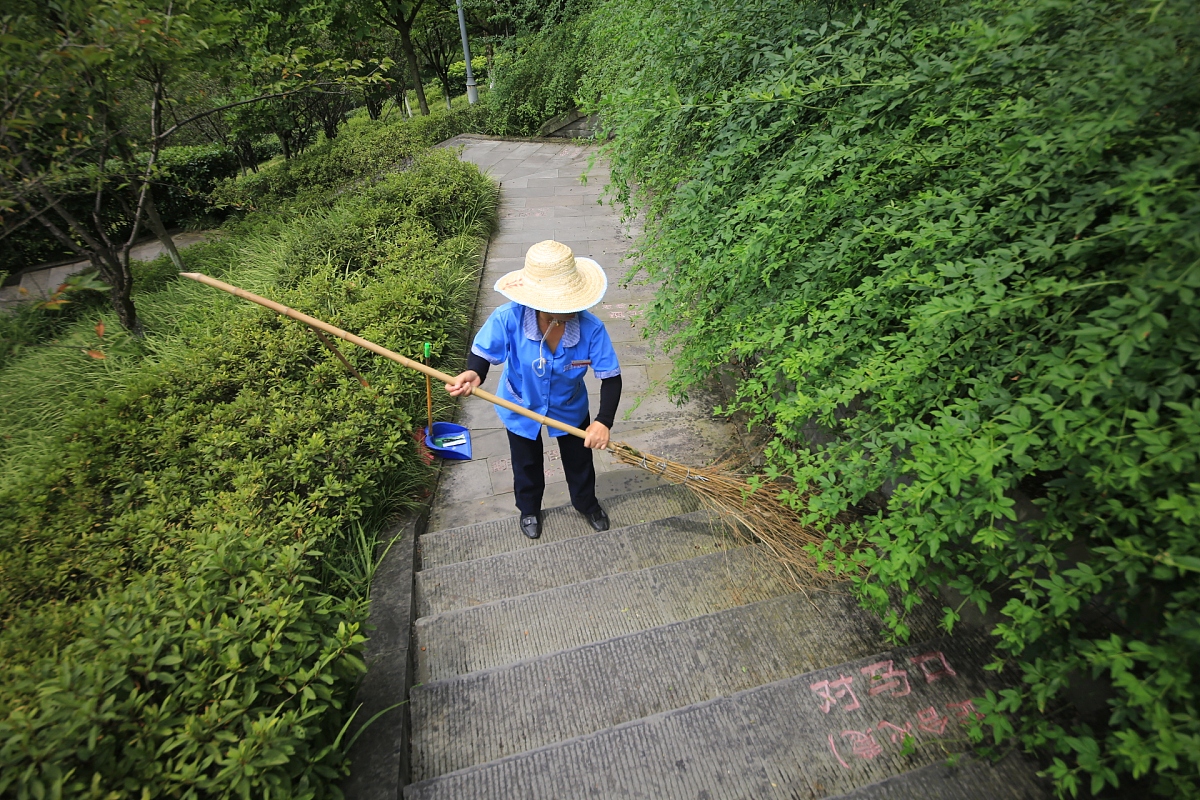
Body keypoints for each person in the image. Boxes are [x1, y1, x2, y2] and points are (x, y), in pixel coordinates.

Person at [445, 240, 622, 540]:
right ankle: (529, 508)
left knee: (579, 462)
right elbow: (484, 354)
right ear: (541, 305)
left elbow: (611, 377)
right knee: (526, 462)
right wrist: (475, 373)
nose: (572, 310)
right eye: (562, 306)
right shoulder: (508, 318)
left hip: (569, 406)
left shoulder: (591, 329)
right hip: (520, 403)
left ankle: (586, 503)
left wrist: (603, 421)